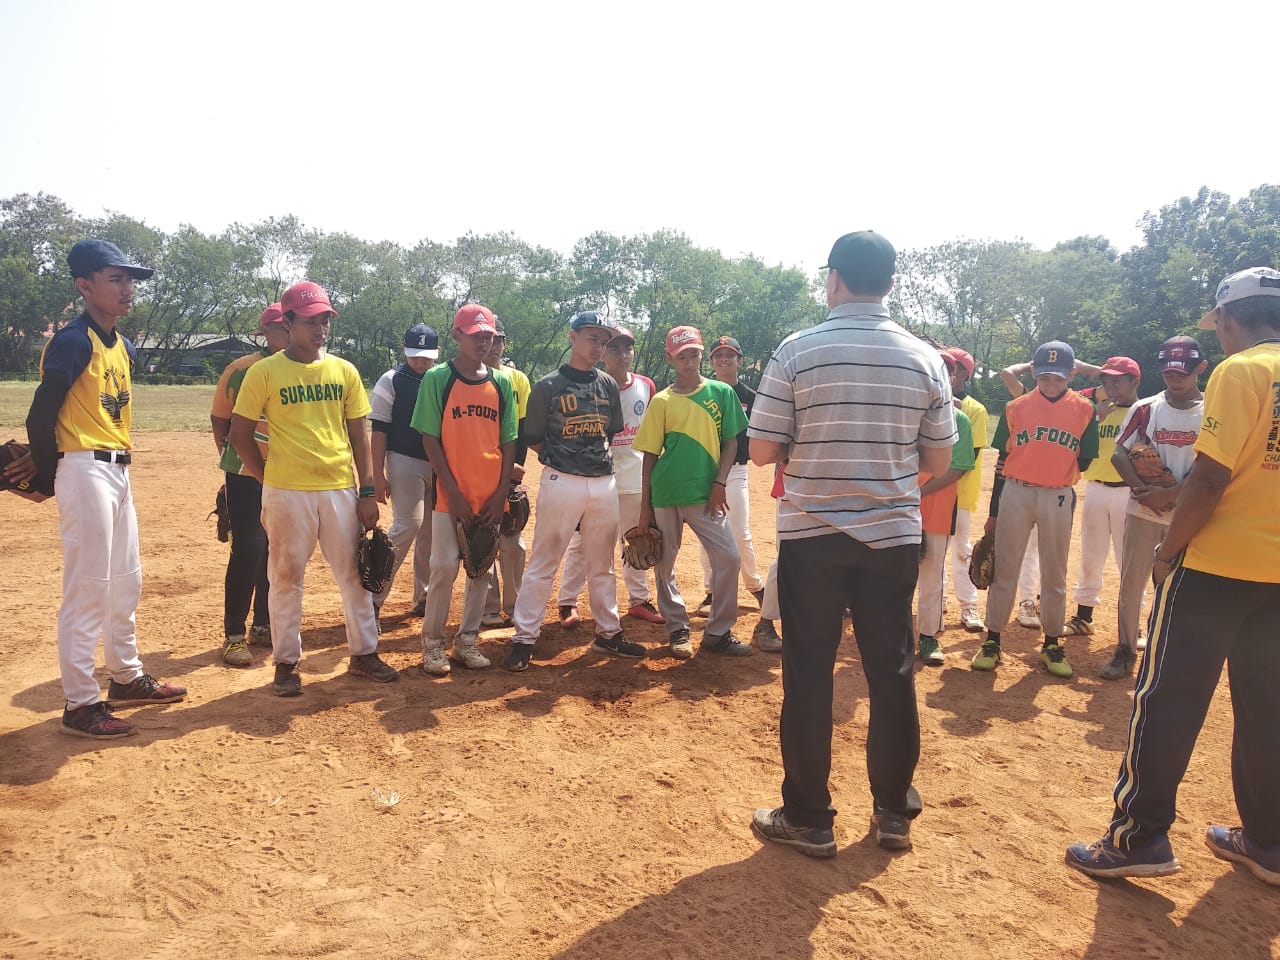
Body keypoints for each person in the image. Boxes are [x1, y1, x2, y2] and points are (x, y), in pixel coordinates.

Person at [1067, 266, 1280, 886]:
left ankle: (1139, 837)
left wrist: (1168, 553)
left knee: (1165, 701)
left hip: (1215, 568)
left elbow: (1210, 479)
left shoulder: (1241, 372)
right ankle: (1267, 841)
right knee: (1268, 709)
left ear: (1231, 319)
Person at [748, 231, 956, 857]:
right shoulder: (925, 358)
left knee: (808, 672)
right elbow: (939, 457)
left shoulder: (798, 351)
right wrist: (884, 481)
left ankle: (810, 817)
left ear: (833, 279)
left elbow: (760, 451)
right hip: (891, 534)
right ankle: (894, 811)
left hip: (813, 533)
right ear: (891, 283)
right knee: (891, 670)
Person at [22, 239, 187, 738]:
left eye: (128, 279)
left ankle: (126, 675)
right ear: (84, 285)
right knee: (89, 587)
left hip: (117, 468)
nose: (127, 287)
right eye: (115, 278)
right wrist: (48, 476)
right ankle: (79, 704)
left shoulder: (123, 345)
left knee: (126, 579)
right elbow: (39, 415)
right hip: (83, 466)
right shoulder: (74, 341)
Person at [229, 281, 400, 695]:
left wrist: (367, 490)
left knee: (356, 575)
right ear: (287, 322)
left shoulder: (343, 370)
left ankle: (363, 654)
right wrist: (265, 477)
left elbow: (359, 434)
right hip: (287, 491)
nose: (320, 328)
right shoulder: (263, 371)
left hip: (339, 487)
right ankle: (286, 663)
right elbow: (239, 433)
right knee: (286, 578)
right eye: (310, 320)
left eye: (325, 320)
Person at [504, 311, 645, 672]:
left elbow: (610, 430)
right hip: (561, 480)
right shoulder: (548, 385)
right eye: (592, 338)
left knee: (602, 564)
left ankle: (609, 632)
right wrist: (562, 459)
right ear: (573, 337)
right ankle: (524, 637)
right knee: (544, 561)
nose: (599, 346)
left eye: (604, 340)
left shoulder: (607, 385)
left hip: (603, 481)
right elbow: (532, 437)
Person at [974, 340, 1097, 679]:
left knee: (1054, 572)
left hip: (1058, 494)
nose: (1051, 383)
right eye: (1044, 377)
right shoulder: (1017, 407)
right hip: (1016, 491)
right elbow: (1002, 461)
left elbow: (1084, 460)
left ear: (1071, 374)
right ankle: (993, 640)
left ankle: (1053, 643)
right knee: (1005, 569)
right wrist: (994, 512)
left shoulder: (1085, 408)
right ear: (1034, 373)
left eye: (1058, 378)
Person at [634, 325, 750, 659]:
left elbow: (731, 442)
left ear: (702, 354)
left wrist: (719, 483)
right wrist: (645, 510)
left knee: (729, 557)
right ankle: (677, 628)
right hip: (666, 493)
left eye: (695, 354)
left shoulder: (721, 393)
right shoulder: (662, 401)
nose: (690, 361)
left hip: (706, 494)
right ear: (670, 357)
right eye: (682, 355)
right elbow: (650, 457)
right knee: (664, 564)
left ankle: (718, 631)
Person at [412, 304, 517, 675]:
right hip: (450, 495)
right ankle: (432, 644)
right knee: (443, 566)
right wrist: (451, 492)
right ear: (457, 336)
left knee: (481, 570)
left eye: (488, 334)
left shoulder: (501, 382)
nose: (483, 340)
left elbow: (508, 443)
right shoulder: (439, 378)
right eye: (475, 334)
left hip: (489, 494)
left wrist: (501, 492)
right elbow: (429, 439)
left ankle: (467, 641)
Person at [1099, 337, 1205, 679]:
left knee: (1181, 586)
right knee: (1133, 583)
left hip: (1188, 514)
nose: (1176, 378)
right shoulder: (1146, 408)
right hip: (1143, 510)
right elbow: (1119, 453)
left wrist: (1171, 494)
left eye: (1183, 372)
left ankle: (1168, 652)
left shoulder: (1212, 412)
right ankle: (1125, 649)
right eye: (1170, 372)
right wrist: (1142, 491)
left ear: (1200, 368)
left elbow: (1211, 467)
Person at [557, 324, 663, 626]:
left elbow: (653, 435)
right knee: (582, 542)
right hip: (596, 477)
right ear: (603, 352)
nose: (621, 354)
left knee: (638, 540)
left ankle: (639, 599)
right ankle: (568, 601)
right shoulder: (591, 385)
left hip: (634, 477)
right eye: (614, 347)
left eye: (627, 348)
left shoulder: (645, 386)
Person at [209, 302, 290, 667]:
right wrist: (232, 458)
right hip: (244, 472)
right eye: (280, 328)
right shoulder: (242, 369)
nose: (286, 334)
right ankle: (234, 635)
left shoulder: (300, 368)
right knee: (250, 547)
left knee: (276, 549)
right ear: (265, 332)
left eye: (291, 327)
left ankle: (263, 623)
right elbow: (219, 419)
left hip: (286, 473)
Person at [1065, 356, 1142, 637]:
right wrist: (1095, 419)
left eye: (1117, 381)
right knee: (1091, 556)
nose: (1110, 386)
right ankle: (1083, 617)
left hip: (1128, 493)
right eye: (1107, 380)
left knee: (1130, 561)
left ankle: (1133, 625)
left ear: (1135, 381)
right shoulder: (1095, 411)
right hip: (1096, 488)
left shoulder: (1143, 412)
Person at [369, 322, 439, 620]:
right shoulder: (392, 379)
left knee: (431, 534)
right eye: (415, 354)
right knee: (408, 524)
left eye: (427, 355)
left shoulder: (442, 378)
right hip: (403, 458)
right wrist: (377, 474)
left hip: (438, 463)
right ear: (403, 349)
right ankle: (372, 597)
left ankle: (423, 596)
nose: (421, 360)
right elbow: (379, 430)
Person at [692, 335, 766, 616]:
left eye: (730, 355)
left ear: (740, 361)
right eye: (718, 355)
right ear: (710, 362)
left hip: (736, 471)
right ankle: (712, 591)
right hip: (706, 470)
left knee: (739, 531)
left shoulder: (749, 396)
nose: (724, 359)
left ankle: (755, 586)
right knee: (707, 532)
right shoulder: (702, 392)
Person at [915, 353, 976, 665]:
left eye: (946, 372)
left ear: (953, 378)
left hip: (936, 506)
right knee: (893, 572)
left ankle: (927, 636)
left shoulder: (960, 420)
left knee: (931, 574)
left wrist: (917, 492)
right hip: (899, 507)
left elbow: (958, 468)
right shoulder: (905, 411)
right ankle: (892, 633)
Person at [482, 319, 531, 627]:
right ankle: (488, 608)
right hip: (478, 470)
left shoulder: (517, 380)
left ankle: (514, 606)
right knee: (483, 540)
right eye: (489, 339)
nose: (495, 345)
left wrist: (514, 473)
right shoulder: (467, 378)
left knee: (512, 541)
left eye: (499, 339)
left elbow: (522, 430)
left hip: (509, 470)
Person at [942, 348, 989, 632]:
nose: (949, 372)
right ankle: (938, 601)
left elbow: (967, 455)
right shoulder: (928, 401)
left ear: (964, 374)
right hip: (933, 492)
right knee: (931, 552)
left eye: (955, 368)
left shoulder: (975, 410)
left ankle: (969, 606)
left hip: (959, 491)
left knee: (961, 550)